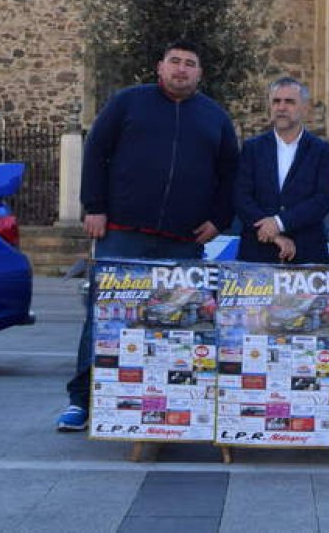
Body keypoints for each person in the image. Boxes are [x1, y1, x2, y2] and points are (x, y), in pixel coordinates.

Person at [56, 40, 239, 432]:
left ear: (199, 74)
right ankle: (81, 402)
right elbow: (96, 151)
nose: (181, 69)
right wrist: (94, 206)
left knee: (177, 322)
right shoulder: (127, 103)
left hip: (182, 241)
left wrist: (219, 220)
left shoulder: (215, 118)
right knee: (103, 320)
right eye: (174, 61)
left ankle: (171, 401)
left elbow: (229, 175)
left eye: (190, 64)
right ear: (160, 66)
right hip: (122, 236)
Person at [234, 76, 329, 264]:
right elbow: (242, 197)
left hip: (306, 253)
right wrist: (273, 235)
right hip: (257, 253)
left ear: (305, 108)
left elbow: (322, 200)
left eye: (289, 102)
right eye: (276, 101)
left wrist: (279, 223)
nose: (281, 107)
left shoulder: (321, 150)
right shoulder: (252, 148)